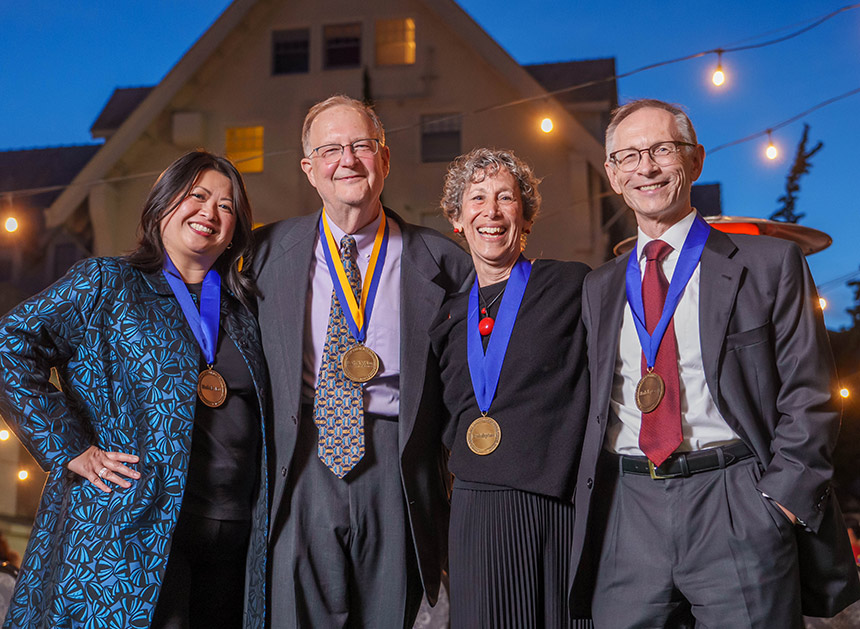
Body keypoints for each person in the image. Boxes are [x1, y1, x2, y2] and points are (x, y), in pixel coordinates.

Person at [567, 99, 860, 628]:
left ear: (696, 160)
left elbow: (810, 394)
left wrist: (778, 505)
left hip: (736, 502)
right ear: (612, 174)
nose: (647, 167)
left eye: (662, 150)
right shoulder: (599, 287)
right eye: (629, 156)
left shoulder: (770, 266)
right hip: (627, 508)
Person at [0, 151, 269, 628]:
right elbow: (8, 346)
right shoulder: (107, 284)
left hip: (235, 539)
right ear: (163, 205)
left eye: (227, 207)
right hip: (126, 532)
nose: (210, 212)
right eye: (198, 196)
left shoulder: (244, 310)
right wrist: (70, 446)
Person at [250, 95, 472, 627]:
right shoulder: (262, 253)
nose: (346, 159)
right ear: (309, 169)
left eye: (361, 146)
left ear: (385, 159)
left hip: (398, 464)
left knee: (390, 615)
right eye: (330, 149)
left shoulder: (444, 262)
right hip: (300, 459)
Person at [429, 148, 591, 628]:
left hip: (559, 505)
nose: (492, 211)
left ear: (525, 214)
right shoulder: (446, 316)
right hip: (478, 510)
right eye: (476, 198)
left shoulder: (571, 286)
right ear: (457, 219)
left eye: (505, 197)